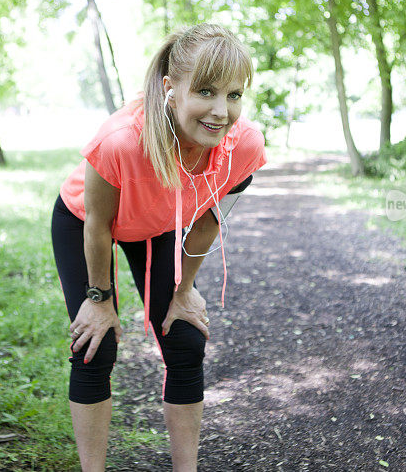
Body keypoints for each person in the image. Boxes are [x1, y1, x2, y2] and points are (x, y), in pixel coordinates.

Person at [50, 23, 267, 471]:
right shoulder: (121, 141)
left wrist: (185, 289)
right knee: (96, 344)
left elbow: (208, 217)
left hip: (159, 224)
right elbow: (97, 225)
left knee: (185, 339)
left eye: (234, 94)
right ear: (171, 89)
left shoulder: (243, 144)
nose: (221, 111)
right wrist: (99, 300)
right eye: (205, 91)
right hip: (87, 224)